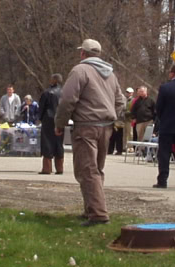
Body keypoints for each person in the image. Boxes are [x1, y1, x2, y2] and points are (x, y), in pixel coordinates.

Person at [55, 39, 125, 226]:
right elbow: (121, 101)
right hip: (106, 127)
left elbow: (67, 99)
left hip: (86, 126)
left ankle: (98, 214)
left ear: (83, 53)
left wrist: (60, 123)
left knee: (87, 170)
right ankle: (90, 209)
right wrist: (111, 116)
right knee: (96, 170)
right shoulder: (110, 74)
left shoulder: (80, 70)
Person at [38, 74, 64, 175]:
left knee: (47, 142)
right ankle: (60, 168)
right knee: (59, 143)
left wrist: (40, 118)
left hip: (48, 119)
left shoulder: (47, 93)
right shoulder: (65, 93)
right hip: (61, 119)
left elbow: (41, 108)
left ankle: (47, 168)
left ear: (54, 80)